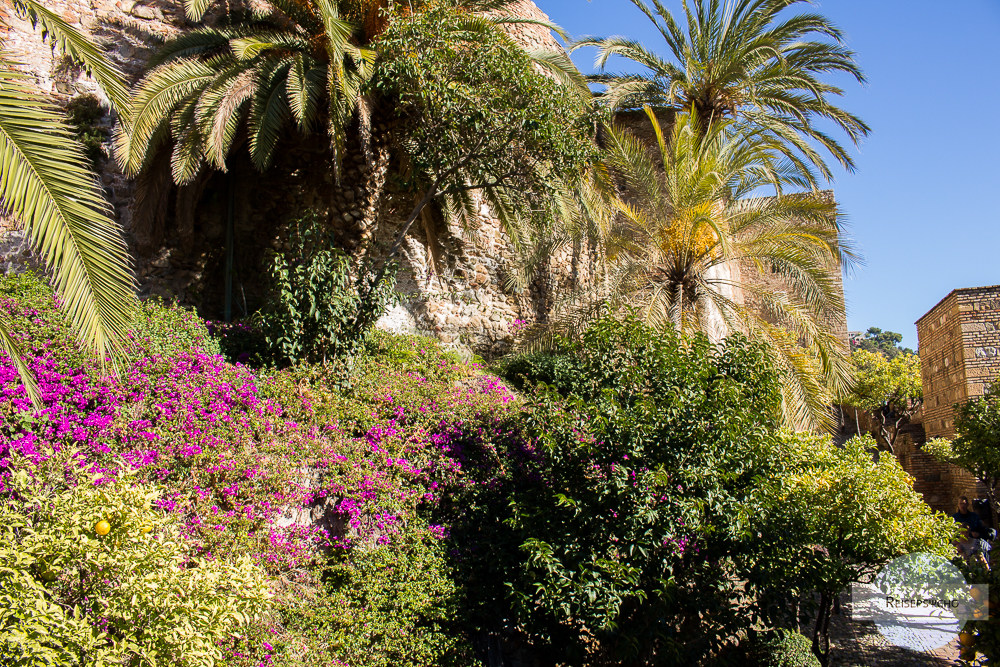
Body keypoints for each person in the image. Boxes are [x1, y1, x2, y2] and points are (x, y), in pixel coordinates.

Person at [953, 496, 991, 567]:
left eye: (964, 504)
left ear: (967, 505)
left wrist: (978, 534)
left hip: (973, 542)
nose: (962, 506)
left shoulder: (974, 517)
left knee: (983, 549)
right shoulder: (954, 518)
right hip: (960, 543)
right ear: (958, 505)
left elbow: (982, 530)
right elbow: (951, 533)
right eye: (960, 504)